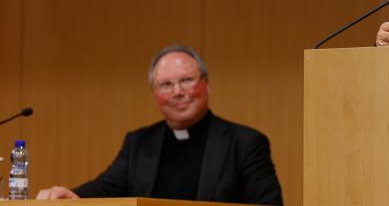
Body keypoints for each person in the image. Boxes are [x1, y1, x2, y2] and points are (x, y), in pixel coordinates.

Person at [36, 45, 283, 205]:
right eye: (165, 85)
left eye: (187, 81)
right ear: (154, 93)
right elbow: (107, 187)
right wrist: (73, 195)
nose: (177, 92)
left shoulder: (245, 143)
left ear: (206, 84)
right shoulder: (139, 143)